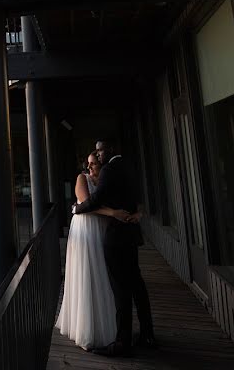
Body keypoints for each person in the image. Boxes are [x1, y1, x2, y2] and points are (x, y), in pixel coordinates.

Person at [73, 139, 155, 356]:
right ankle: (148, 334)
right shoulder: (128, 167)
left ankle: (122, 342)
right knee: (136, 284)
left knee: (121, 290)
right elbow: (137, 196)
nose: (96, 160)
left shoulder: (109, 170)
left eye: (98, 155)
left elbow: (95, 200)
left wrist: (76, 209)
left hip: (117, 236)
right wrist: (139, 213)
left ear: (108, 152)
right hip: (130, 234)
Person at [55, 152, 129, 350]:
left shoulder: (106, 179)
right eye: (88, 164)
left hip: (102, 228)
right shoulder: (82, 178)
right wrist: (113, 213)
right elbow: (86, 203)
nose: (89, 168)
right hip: (86, 228)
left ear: (101, 165)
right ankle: (87, 328)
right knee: (88, 271)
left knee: (104, 273)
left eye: (93, 164)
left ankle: (110, 326)